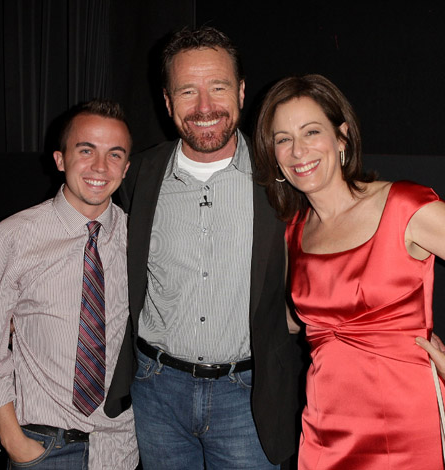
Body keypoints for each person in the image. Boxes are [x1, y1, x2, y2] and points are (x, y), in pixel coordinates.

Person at [252, 74, 445, 470]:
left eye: (311, 131)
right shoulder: (294, 232)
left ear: (342, 137)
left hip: (407, 429)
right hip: (324, 430)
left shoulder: (402, 206)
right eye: (282, 139)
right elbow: (297, 322)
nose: (298, 150)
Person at [104, 27, 302, 469]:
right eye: (188, 91)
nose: (205, 107)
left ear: (242, 91)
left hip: (249, 398)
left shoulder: (282, 177)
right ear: (168, 101)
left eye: (218, 88)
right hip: (156, 393)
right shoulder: (138, 175)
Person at [0, 99, 139, 469]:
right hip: (42, 445)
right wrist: (15, 442)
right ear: (60, 159)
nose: (99, 166)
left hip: (119, 446)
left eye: (114, 155)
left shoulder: (137, 238)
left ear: (126, 168)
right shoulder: (12, 237)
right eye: (86, 150)